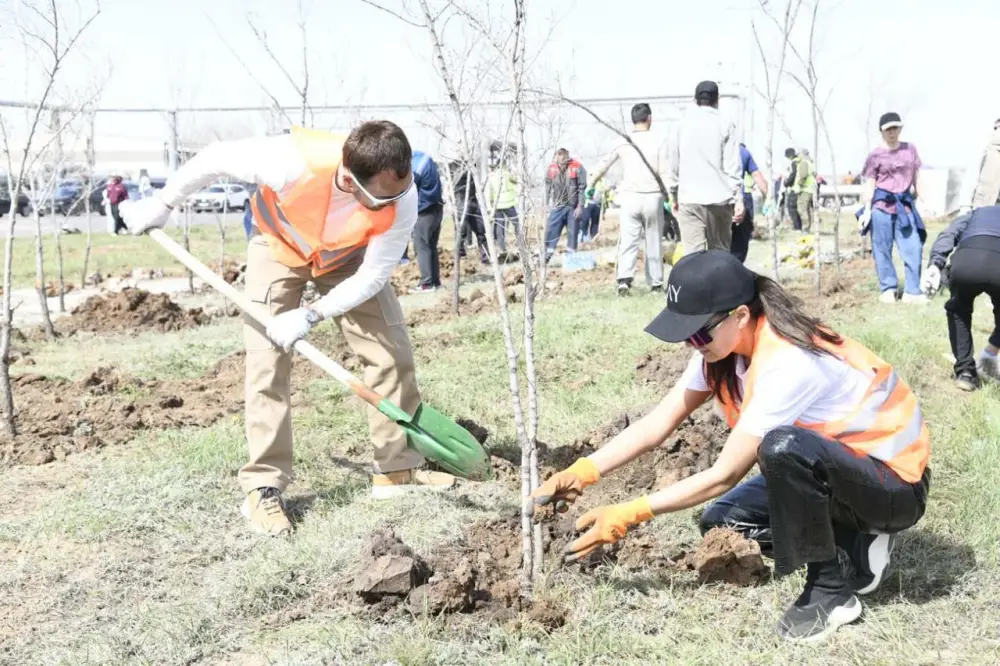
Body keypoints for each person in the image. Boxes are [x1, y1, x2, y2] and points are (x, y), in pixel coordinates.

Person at [534, 249, 930, 642]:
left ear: (741, 315)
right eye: (686, 335)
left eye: (699, 332)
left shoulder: (788, 362)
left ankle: (831, 592)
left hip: (892, 485)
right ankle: (854, 541)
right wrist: (584, 471)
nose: (692, 343)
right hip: (838, 471)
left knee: (781, 447)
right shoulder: (718, 352)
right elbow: (658, 423)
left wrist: (630, 513)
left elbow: (723, 475)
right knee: (722, 521)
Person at [121, 121, 456, 537]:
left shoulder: (400, 197)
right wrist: (165, 203)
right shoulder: (291, 161)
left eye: (398, 192)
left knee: (391, 353)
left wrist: (311, 314)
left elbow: (373, 275)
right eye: (380, 198)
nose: (392, 203)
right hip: (278, 247)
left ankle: (396, 470)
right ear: (350, 180)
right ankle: (263, 486)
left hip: (349, 260)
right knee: (267, 363)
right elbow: (215, 157)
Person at [588, 102, 670, 295]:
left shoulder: (624, 141)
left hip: (630, 198)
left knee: (628, 240)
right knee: (653, 240)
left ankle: (624, 280)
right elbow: (665, 171)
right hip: (652, 198)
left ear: (632, 120)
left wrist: (590, 185)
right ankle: (656, 283)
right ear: (649, 118)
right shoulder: (659, 140)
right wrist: (671, 196)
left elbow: (604, 163)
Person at [922, 205, 1000, 391]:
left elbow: (948, 234)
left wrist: (935, 263)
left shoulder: (975, 213)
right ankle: (991, 351)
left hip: (967, 262)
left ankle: (965, 372)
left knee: (959, 309)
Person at [858, 112, 927, 304]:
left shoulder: (910, 150)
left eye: (895, 128)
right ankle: (888, 288)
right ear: (881, 131)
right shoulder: (875, 155)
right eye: (888, 129)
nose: (892, 132)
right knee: (882, 249)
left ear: (900, 129)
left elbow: (917, 177)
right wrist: (866, 209)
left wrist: (923, 201)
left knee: (913, 246)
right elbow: (870, 183)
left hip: (904, 207)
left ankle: (912, 291)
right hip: (881, 207)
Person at [668, 81, 743, 256]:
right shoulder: (726, 124)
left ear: (695, 100)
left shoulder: (681, 125)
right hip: (720, 200)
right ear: (717, 100)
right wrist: (738, 199)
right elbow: (732, 167)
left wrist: (673, 195)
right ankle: (721, 283)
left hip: (690, 200)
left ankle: (696, 284)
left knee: (694, 258)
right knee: (721, 256)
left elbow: (673, 164)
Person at [409, 150, 444, 292]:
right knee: (431, 247)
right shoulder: (425, 159)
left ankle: (426, 283)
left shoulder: (414, 167)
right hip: (437, 209)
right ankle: (435, 282)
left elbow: (409, 186)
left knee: (421, 247)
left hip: (424, 212)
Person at [544, 148, 586, 261]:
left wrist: (580, 206)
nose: (562, 163)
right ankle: (547, 254)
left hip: (573, 206)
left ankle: (571, 256)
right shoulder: (551, 169)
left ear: (567, 158)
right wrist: (546, 204)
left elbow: (582, 188)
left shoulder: (577, 167)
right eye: (559, 160)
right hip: (557, 205)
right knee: (551, 229)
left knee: (573, 231)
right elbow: (547, 188)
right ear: (556, 158)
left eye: (564, 161)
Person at [732, 143, 769, 263]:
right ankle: (735, 267)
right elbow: (757, 176)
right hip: (740, 199)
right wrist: (768, 198)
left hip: (716, 200)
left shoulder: (711, 147)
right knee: (740, 242)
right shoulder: (742, 152)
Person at [957, 118, 1000, 215]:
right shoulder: (986, 147)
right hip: (986, 208)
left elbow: (970, 178)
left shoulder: (984, 145)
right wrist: (965, 207)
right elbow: (971, 178)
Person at [452, 162, 489, 264]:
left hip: (473, 202)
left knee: (481, 231)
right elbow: (456, 185)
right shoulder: (458, 173)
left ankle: (485, 256)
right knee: (461, 232)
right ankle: (459, 255)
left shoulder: (473, 174)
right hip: (461, 202)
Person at [485, 161, 519, 255]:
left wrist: (490, 206)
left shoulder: (492, 177)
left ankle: (501, 247)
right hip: (509, 204)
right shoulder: (508, 175)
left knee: (500, 226)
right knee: (517, 224)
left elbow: (489, 192)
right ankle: (520, 244)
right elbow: (517, 181)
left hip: (497, 205)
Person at [795, 149, 817, 233]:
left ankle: (805, 228)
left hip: (805, 188)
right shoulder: (810, 162)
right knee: (807, 209)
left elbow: (803, 175)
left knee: (802, 209)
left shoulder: (804, 162)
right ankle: (807, 228)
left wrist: (799, 184)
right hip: (810, 189)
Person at [782, 148, 803, 231]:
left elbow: (793, 174)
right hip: (799, 187)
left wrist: (787, 183)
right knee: (796, 207)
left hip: (796, 188)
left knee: (791, 206)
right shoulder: (799, 161)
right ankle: (799, 226)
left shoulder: (794, 163)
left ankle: (797, 227)